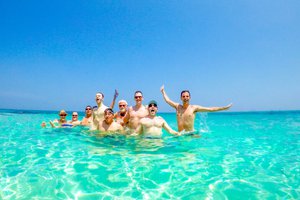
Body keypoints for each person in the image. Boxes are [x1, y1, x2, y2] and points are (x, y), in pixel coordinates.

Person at [160, 85, 232, 132]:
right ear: (181, 98)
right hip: (180, 135)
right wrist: (163, 92)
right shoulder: (177, 106)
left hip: (190, 134)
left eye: (187, 96)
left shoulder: (194, 108)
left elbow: (210, 109)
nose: (185, 98)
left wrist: (224, 108)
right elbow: (168, 100)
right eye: (184, 96)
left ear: (190, 97)